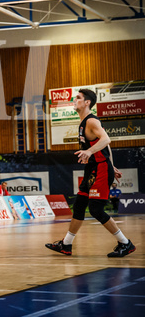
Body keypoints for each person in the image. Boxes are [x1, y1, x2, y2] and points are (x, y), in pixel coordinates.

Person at [46, 88, 135, 257]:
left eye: (78, 98)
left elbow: (106, 139)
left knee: (95, 209)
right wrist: (112, 165)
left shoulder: (91, 121)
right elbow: (106, 145)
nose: (75, 100)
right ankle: (66, 245)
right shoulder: (83, 122)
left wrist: (91, 153)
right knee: (79, 206)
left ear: (87, 102)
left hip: (100, 169)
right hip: (93, 169)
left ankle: (126, 243)